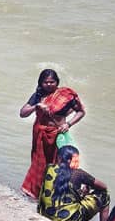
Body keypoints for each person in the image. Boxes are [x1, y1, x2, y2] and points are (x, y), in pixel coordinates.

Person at [19, 69, 85, 199]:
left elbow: (81, 112)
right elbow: (22, 113)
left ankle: (55, 193)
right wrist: (36, 106)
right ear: (41, 83)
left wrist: (68, 124)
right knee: (38, 163)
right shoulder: (38, 95)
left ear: (57, 82)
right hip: (40, 134)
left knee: (58, 163)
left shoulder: (66, 95)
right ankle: (37, 192)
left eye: (52, 82)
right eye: (45, 82)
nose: (49, 85)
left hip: (57, 134)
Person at [37, 145, 109, 221]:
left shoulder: (49, 168)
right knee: (105, 195)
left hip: (45, 214)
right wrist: (88, 186)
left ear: (59, 158)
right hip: (68, 220)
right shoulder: (79, 174)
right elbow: (103, 186)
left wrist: (81, 193)